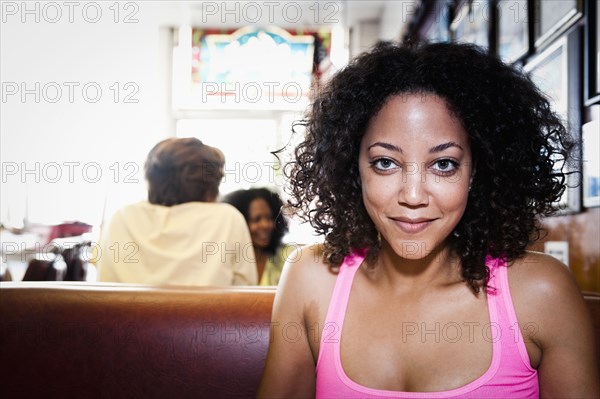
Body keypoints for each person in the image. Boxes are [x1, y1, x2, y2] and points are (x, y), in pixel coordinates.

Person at [258, 41, 599, 398]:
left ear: (476, 172)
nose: (414, 196)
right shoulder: (311, 279)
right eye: (385, 162)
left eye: (443, 164)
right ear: (352, 167)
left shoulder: (540, 291)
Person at [98, 137, 257, 286]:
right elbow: (246, 287)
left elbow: (104, 285)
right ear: (210, 186)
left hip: (129, 315)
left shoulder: (123, 217)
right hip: (208, 315)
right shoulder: (227, 218)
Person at [222, 188, 292, 285]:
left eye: (269, 218)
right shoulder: (227, 259)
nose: (265, 225)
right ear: (240, 223)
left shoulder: (288, 256)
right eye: (256, 219)